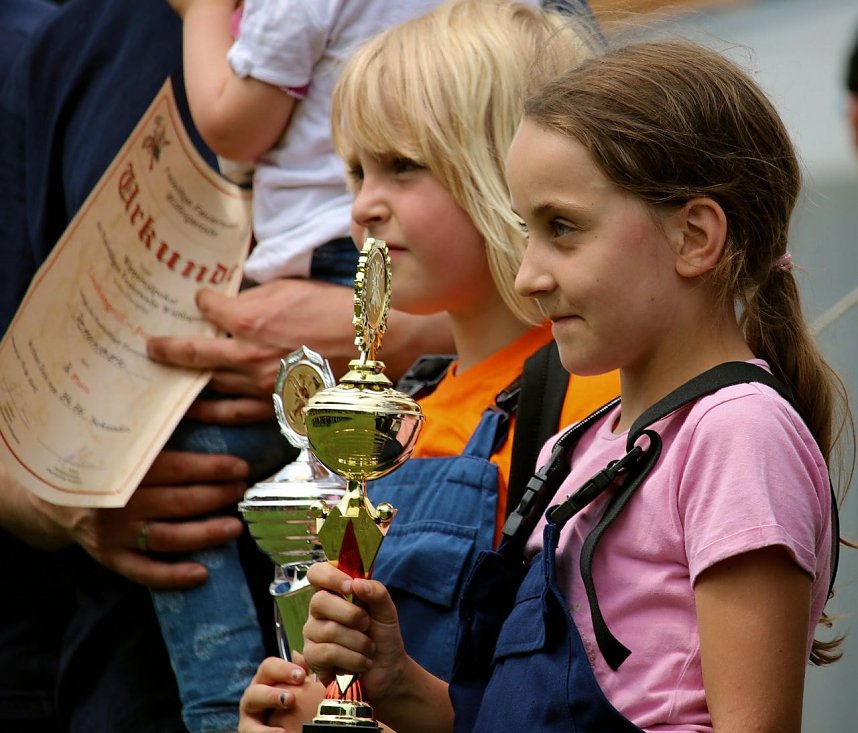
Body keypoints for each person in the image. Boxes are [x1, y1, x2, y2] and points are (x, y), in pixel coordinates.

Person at [294, 38, 851, 733]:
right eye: (528, 232)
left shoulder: (736, 432)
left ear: (695, 237)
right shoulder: (576, 447)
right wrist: (396, 680)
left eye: (563, 229)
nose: (529, 275)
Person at [0, 0, 449, 731]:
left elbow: (574, 287)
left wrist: (392, 334)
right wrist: (73, 498)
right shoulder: (68, 45)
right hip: (128, 655)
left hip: (428, 641)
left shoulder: (499, 22)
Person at [237, 1, 617, 729]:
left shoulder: (593, 402)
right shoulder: (399, 411)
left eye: (401, 166)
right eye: (353, 172)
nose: (364, 206)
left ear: (513, 164)